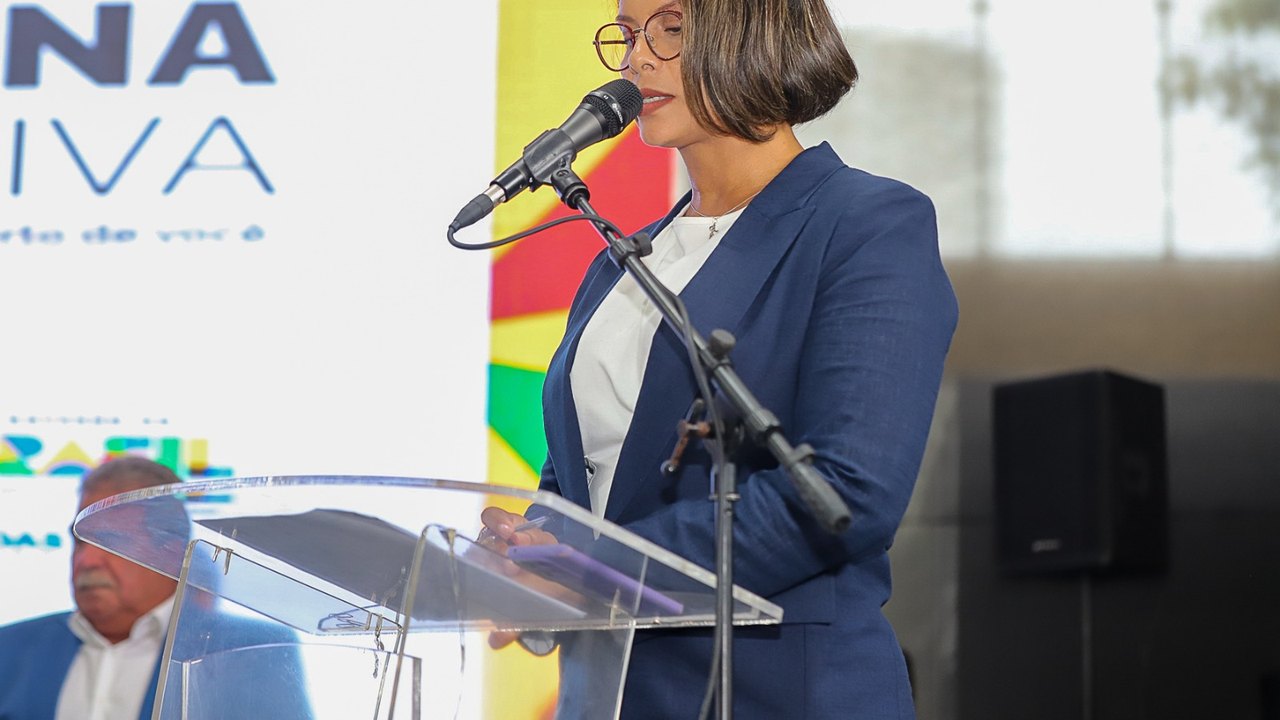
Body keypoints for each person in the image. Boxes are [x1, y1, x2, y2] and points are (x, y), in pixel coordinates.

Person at [480, 0, 959, 718]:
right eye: (628, 33)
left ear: (755, 29)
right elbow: (590, 480)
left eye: (670, 28)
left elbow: (847, 496)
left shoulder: (866, 225)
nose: (637, 58)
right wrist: (531, 556)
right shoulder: (620, 263)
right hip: (606, 696)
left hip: (777, 691)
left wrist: (595, 571)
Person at [0, 457, 311, 720]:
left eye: (108, 540)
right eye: (79, 540)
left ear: (169, 550)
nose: (87, 559)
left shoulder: (250, 652)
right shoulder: (10, 648)